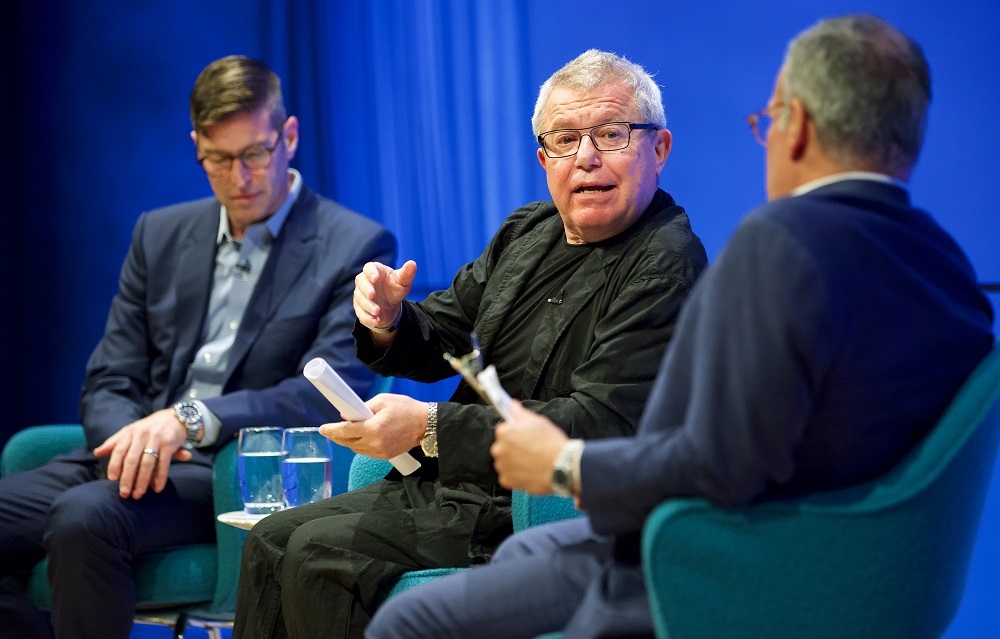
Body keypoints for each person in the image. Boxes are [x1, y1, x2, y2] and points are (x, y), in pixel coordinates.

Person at [364, 14, 996, 639]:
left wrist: (566, 466)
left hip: (727, 568)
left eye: (768, 122)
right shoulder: (951, 270)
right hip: (866, 575)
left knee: (411, 619)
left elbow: (720, 467)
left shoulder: (778, 244)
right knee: (529, 551)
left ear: (796, 127)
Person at [232, 49, 708, 639]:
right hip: (446, 488)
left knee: (320, 556)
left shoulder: (665, 262)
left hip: (527, 509)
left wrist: (429, 427)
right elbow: (442, 336)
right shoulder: (527, 231)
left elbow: (598, 420)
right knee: (272, 542)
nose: (586, 157)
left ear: (658, 149)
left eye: (609, 134)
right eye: (565, 139)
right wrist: (388, 319)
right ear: (544, 158)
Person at [0, 55, 397, 639]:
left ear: (287, 137)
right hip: (130, 455)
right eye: (218, 159)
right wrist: (129, 442)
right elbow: (110, 375)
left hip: (228, 469)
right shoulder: (159, 234)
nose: (239, 178)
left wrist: (187, 421)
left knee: (83, 518)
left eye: (254, 153)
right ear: (196, 147)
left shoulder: (352, 243)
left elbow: (325, 390)